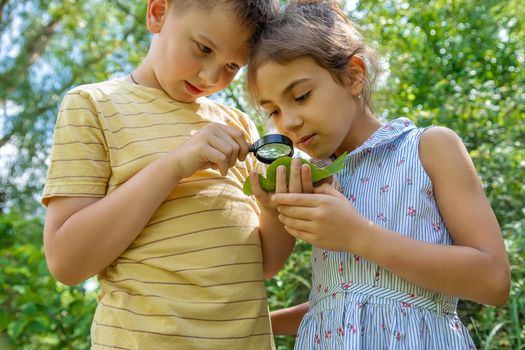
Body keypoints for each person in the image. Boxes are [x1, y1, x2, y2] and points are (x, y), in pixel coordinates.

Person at [245, 0, 511, 348]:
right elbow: (347, 298)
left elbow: (493, 280)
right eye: (274, 111)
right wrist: (269, 210)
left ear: (354, 75)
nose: (289, 122)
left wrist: (359, 236)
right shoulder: (314, 179)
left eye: (301, 96)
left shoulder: (428, 149)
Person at [42, 1, 292, 349]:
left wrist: (275, 206)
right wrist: (174, 165)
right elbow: (66, 263)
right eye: (203, 48)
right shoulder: (93, 105)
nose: (210, 77)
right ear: (158, 12)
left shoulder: (237, 126)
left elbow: (263, 264)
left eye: (232, 66)